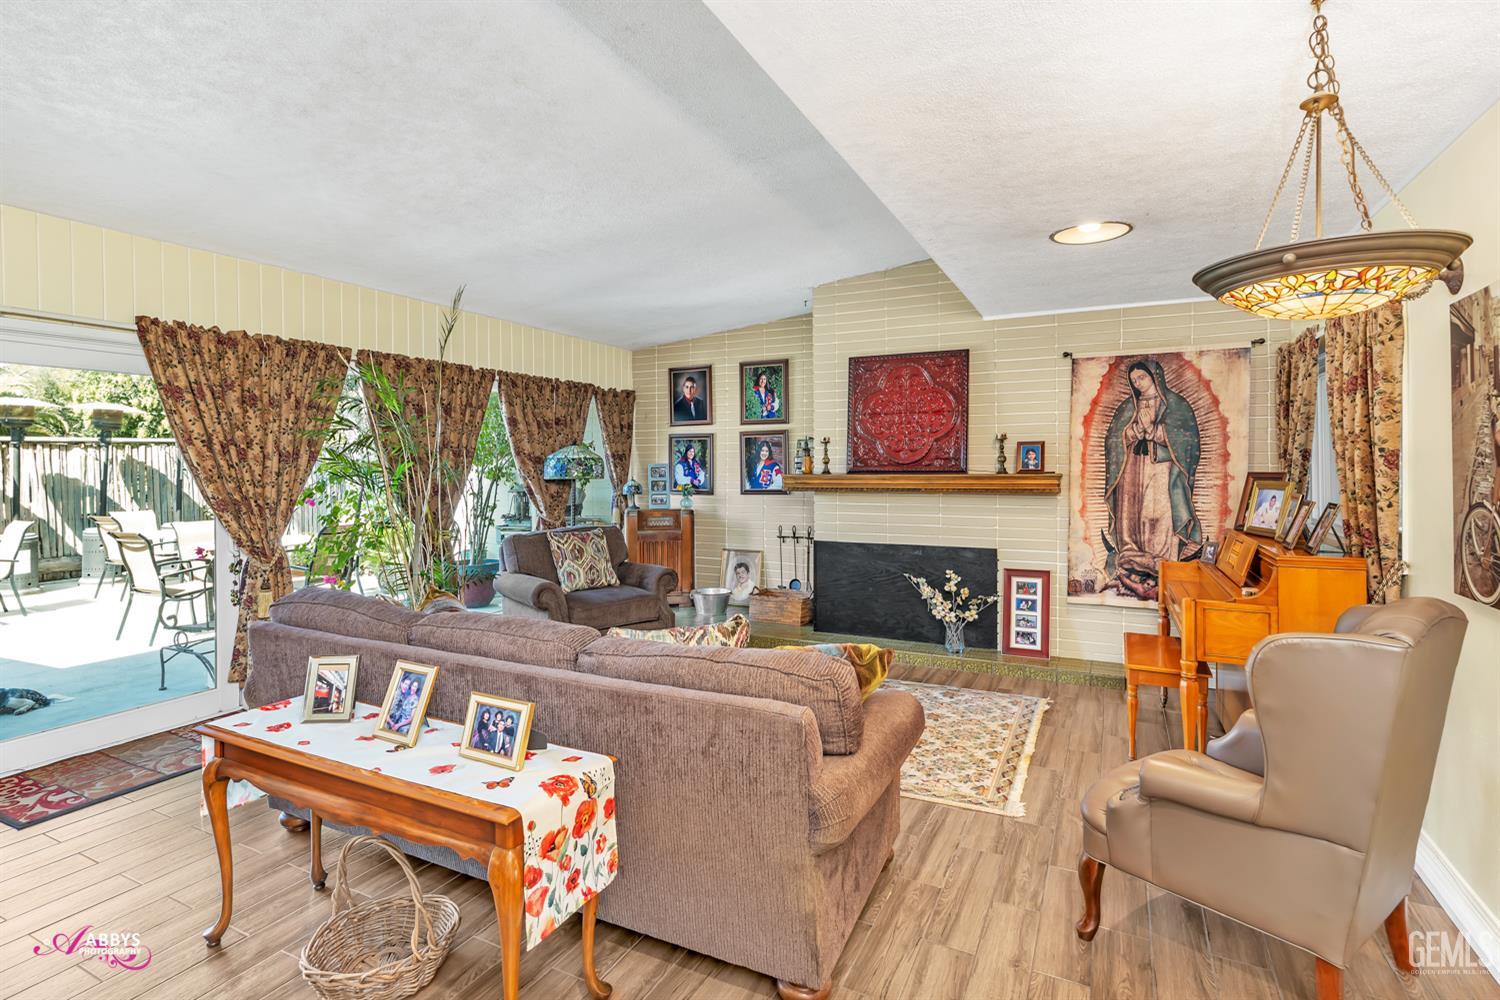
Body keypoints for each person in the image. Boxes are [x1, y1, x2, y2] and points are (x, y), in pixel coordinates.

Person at [1101, 358, 1202, 601]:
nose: (1138, 383)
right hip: (1133, 468)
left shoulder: (1176, 405)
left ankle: (1162, 558)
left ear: (1155, 376)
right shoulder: (1128, 407)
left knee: (1159, 513)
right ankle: (1132, 555)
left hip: (1162, 468)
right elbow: (1113, 439)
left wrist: (1155, 431)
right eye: (1134, 380)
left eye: (1142, 377)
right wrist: (1135, 430)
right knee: (1133, 514)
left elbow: (1188, 439)